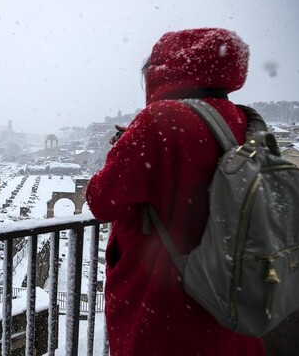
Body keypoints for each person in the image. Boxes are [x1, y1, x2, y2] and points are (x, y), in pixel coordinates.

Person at [86, 28, 266, 355]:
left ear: (161, 73)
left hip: (166, 300)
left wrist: (124, 148)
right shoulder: (243, 120)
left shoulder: (158, 121)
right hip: (231, 292)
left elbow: (101, 200)